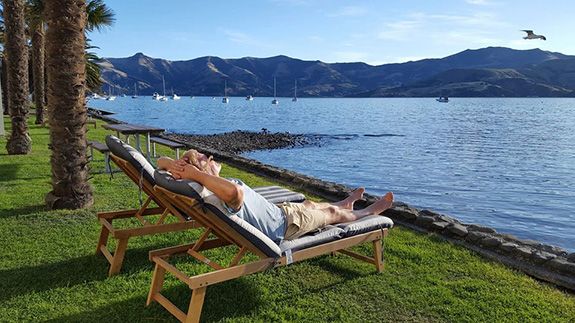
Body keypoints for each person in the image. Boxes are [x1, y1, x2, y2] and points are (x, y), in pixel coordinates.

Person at [158, 149, 394, 243]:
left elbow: (159, 162)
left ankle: (344, 202)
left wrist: (174, 164)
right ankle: (367, 212)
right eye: (201, 157)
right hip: (285, 225)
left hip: (280, 211)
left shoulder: (210, 185)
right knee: (331, 214)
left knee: (311, 203)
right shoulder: (218, 189)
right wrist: (194, 173)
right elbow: (235, 193)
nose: (207, 156)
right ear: (201, 171)